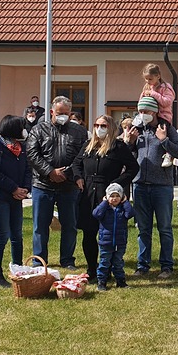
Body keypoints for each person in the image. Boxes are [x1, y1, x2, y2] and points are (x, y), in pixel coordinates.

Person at [72, 114, 139, 281]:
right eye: (96, 125)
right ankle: (91, 268)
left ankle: (107, 268)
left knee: (107, 235)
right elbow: (76, 164)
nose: (99, 129)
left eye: (103, 126)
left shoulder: (118, 147)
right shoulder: (88, 145)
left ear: (110, 128)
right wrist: (78, 177)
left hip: (108, 194)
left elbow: (133, 168)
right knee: (89, 233)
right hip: (88, 194)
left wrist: (117, 184)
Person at [125, 95, 178, 279]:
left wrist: (164, 140)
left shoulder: (166, 128)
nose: (142, 114)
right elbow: (127, 156)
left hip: (161, 186)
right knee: (143, 229)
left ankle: (166, 266)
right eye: (140, 111)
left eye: (146, 111)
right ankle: (142, 265)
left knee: (164, 228)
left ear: (154, 112)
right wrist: (129, 143)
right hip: (140, 186)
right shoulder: (137, 130)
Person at [25, 96, 89, 268]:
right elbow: (32, 154)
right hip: (42, 184)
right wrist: (50, 172)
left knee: (70, 225)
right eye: (60, 113)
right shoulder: (39, 130)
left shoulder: (79, 131)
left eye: (66, 113)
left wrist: (67, 173)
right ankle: (39, 261)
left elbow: (82, 156)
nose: (63, 116)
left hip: (68, 185)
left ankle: (67, 260)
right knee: (40, 226)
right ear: (52, 112)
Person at [0, 115, 32, 287]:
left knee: (17, 236)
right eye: (22, 127)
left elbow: (27, 169)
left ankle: (18, 270)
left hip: (16, 198)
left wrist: (25, 189)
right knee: (2, 237)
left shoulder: (21, 147)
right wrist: (13, 188)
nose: (24, 131)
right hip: (0, 197)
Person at [92, 182, 134, 291]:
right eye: (112, 196)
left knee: (118, 262)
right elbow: (96, 214)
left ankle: (120, 281)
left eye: (117, 196)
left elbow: (130, 214)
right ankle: (102, 282)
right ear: (107, 197)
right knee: (104, 262)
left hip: (120, 242)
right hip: (106, 242)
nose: (114, 199)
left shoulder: (123, 209)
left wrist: (125, 202)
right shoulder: (104, 209)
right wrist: (104, 202)